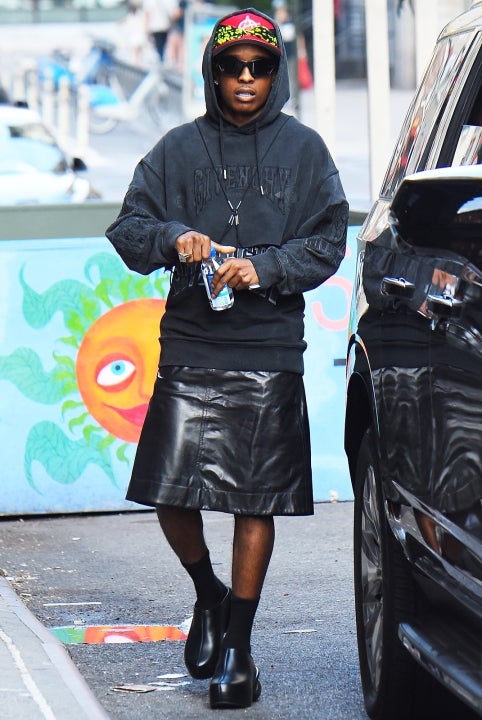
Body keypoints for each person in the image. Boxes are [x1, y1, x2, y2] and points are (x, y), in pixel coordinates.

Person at [106, 7, 348, 710]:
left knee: (254, 499)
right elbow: (128, 228)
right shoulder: (177, 149)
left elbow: (329, 242)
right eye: (232, 66)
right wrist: (173, 238)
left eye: (259, 66)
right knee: (168, 491)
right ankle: (208, 592)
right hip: (192, 344)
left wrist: (264, 269)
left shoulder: (306, 151)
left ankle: (238, 648)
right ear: (212, 73)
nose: (246, 78)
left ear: (276, 75)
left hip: (268, 349)